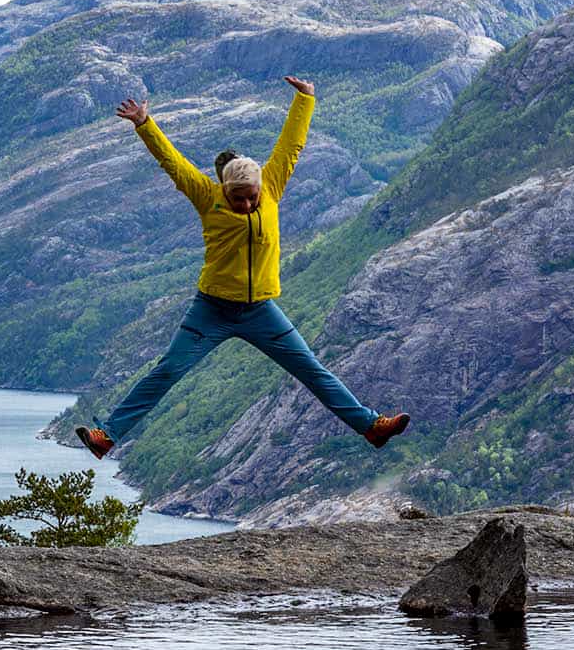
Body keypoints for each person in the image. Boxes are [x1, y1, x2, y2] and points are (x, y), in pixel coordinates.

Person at [74, 76, 408, 459]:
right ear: (224, 189)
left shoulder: (271, 188)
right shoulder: (206, 196)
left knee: (313, 370)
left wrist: (305, 100)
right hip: (211, 310)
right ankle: (107, 436)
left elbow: (291, 146)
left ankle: (371, 427)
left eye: (251, 198)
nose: (247, 205)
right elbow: (174, 164)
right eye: (239, 199)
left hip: (261, 310)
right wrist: (144, 125)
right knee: (168, 370)